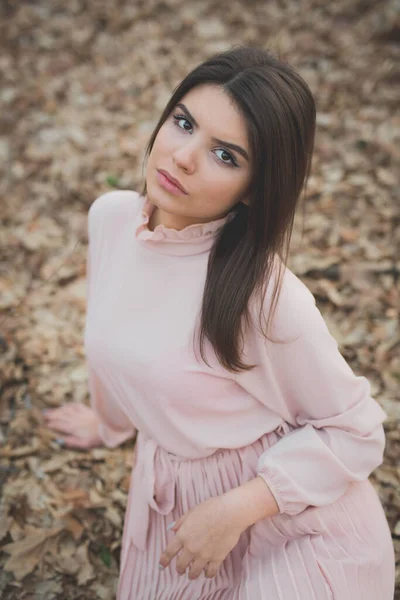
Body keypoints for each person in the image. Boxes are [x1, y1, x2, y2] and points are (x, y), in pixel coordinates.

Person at [42, 45, 395, 599]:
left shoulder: (264, 297)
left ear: (255, 188)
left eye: (225, 155)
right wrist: (109, 425)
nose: (183, 157)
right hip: (178, 496)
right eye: (183, 123)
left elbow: (357, 431)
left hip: (295, 517)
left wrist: (236, 509)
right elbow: (116, 341)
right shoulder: (111, 218)